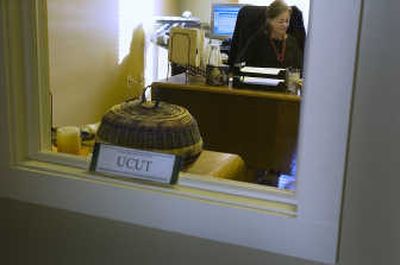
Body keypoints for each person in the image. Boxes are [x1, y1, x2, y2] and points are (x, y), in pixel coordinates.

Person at [242, 0, 303, 69]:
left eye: (287, 21)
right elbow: (242, 64)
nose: (285, 25)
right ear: (270, 21)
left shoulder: (292, 42)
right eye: (281, 21)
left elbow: (299, 70)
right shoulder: (258, 40)